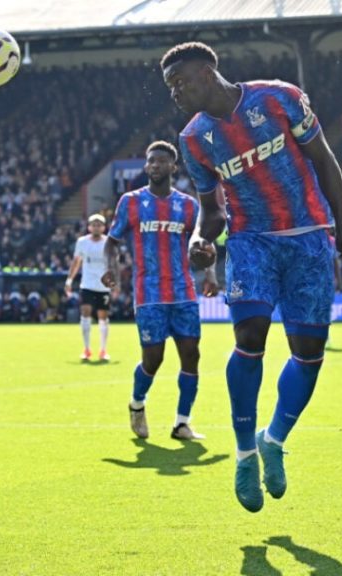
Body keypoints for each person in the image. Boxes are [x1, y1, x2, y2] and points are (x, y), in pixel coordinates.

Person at [161, 42, 342, 512]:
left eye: (181, 81)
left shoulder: (277, 97)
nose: (176, 93)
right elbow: (212, 211)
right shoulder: (193, 141)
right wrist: (196, 240)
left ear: (208, 72)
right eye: (170, 87)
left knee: (308, 354)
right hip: (251, 241)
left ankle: (275, 439)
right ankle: (246, 450)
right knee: (250, 335)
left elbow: (324, 160)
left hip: (310, 236)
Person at [102, 141, 219, 441]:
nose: (154, 165)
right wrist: (110, 269)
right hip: (149, 293)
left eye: (161, 161)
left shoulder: (189, 205)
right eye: (151, 161)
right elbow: (111, 241)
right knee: (154, 359)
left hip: (183, 292)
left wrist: (210, 273)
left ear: (173, 167)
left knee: (191, 355)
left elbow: (205, 242)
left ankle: (182, 423)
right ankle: (137, 403)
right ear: (146, 166)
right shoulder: (131, 202)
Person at [65, 214, 113, 361]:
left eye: (99, 224)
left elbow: (113, 264)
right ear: (89, 227)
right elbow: (76, 261)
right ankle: (86, 349)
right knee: (85, 313)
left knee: (102, 317)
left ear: (104, 227)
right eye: (94, 224)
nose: (96, 227)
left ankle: (103, 350)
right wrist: (69, 280)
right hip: (87, 284)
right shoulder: (82, 242)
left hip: (103, 286)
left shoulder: (109, 242)